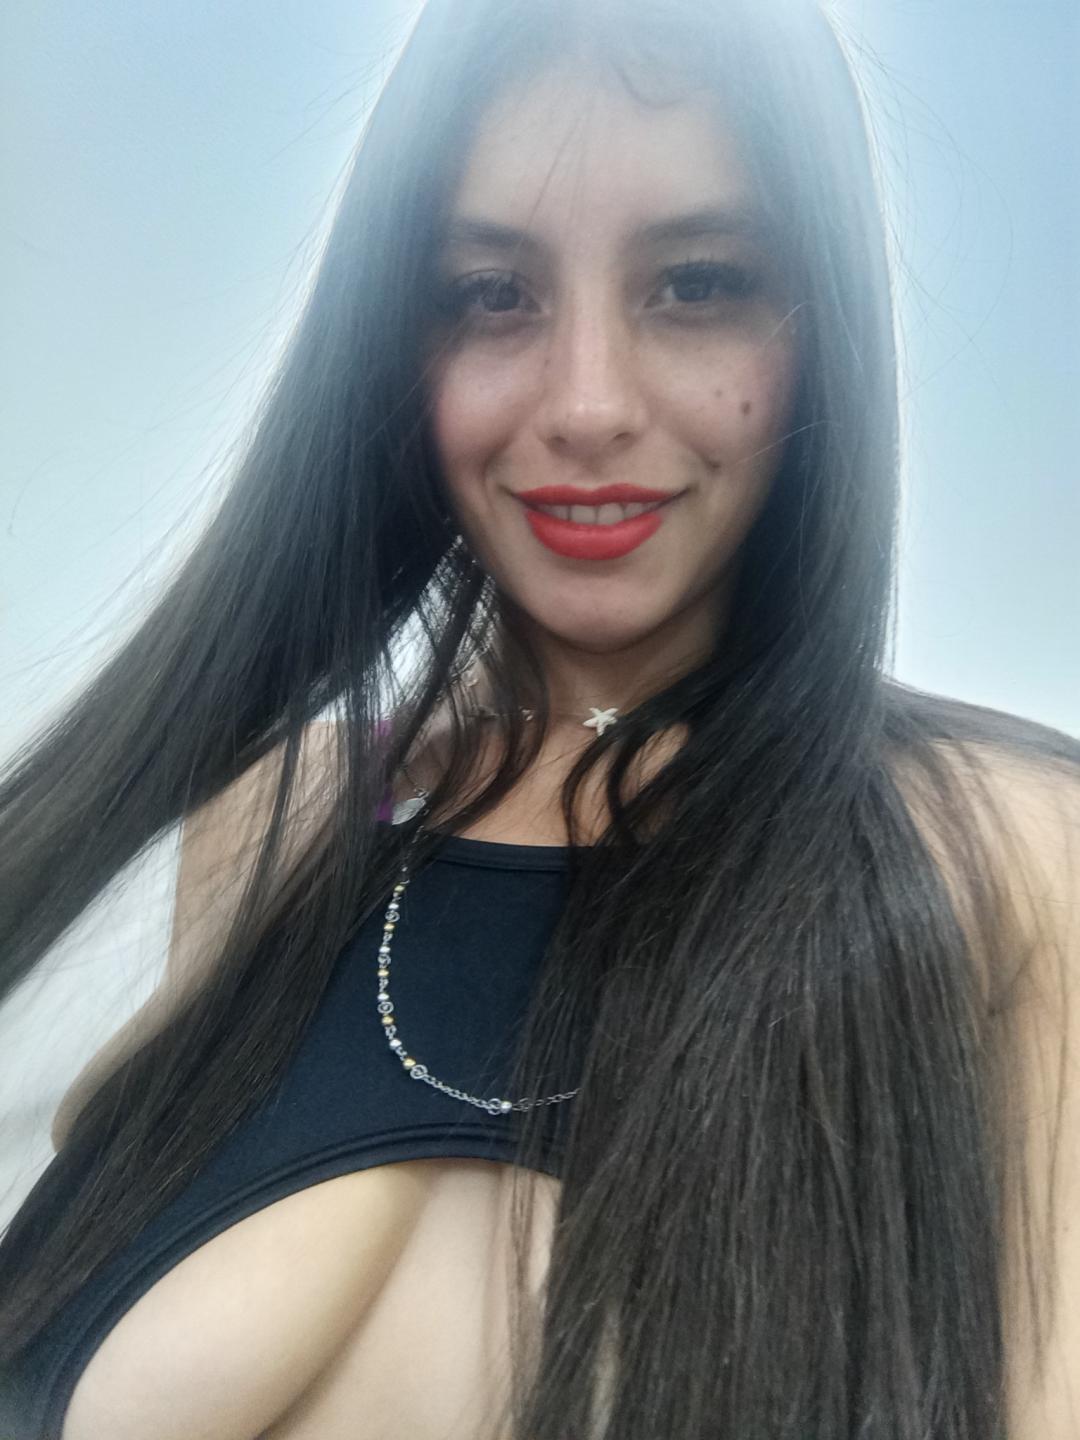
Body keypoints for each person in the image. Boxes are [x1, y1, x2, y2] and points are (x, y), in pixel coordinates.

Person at [0, 0, 1077, 1436]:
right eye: (492, 293)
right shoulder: (276, 819)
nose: (586, 405)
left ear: (821, 329)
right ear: (401, 343)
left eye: (696, 283)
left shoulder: (1014, 860)